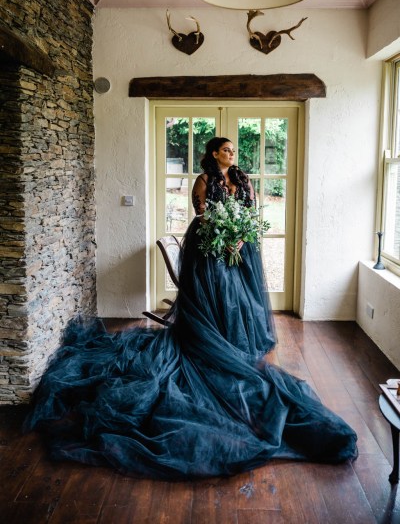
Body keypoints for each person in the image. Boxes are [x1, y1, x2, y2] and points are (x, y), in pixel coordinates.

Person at [24, 137, 358, 480]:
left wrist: (241, 234)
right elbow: (203, 214)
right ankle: (211, 338)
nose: (232, 153)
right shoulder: (203, 180)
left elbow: (250, 211)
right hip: (208, 243)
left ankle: (234, 337)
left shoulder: (242, 179)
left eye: (233, 150)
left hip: (241, 241)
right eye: (226, 149)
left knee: (241, 295)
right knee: (219, 290)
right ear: (214, 154)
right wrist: (224, 232)